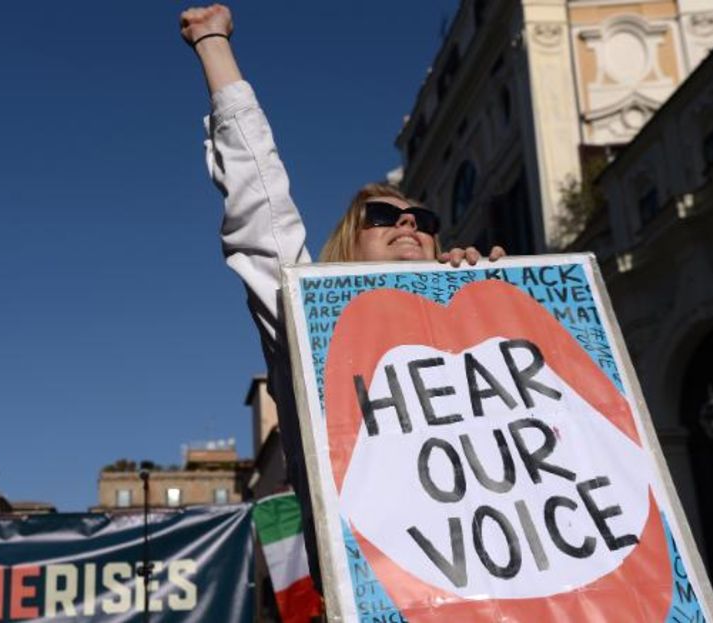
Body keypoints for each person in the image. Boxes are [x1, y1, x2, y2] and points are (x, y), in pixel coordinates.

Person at [180, 3, 505, 597]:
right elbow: (260, 207)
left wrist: (507, 305)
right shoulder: (313, 325)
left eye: (422, 218)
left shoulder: (489, 307)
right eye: (382, 216)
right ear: (348, 246)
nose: (407, 222)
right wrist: (213, 44)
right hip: (387, 598)